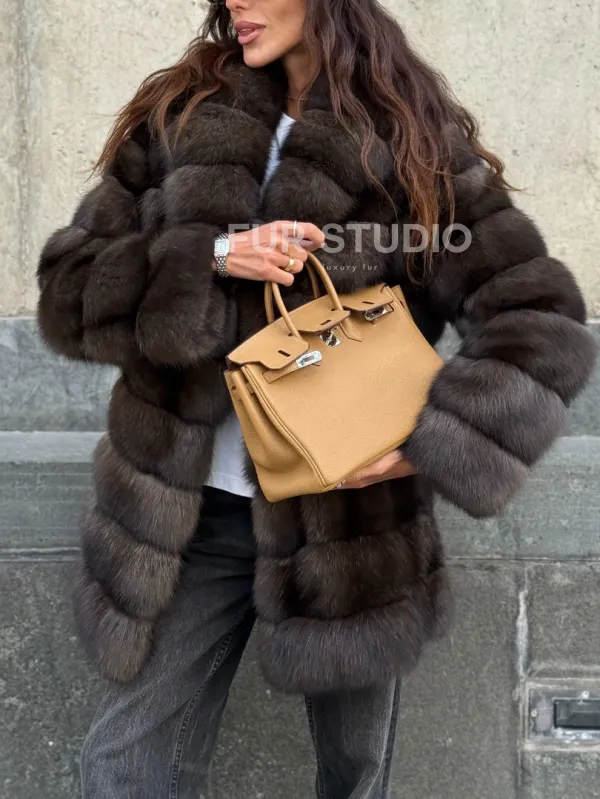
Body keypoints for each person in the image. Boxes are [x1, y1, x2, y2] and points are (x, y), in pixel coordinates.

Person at [36, 0, 596, 796]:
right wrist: (213, 255)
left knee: (353, 775)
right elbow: (68, 290)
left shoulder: (410, 141)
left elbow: (538, 319)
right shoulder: (181, 118)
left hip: (350, 527)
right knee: (126, 766)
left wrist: (429, 445)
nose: (236, 2)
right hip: (190, 516)